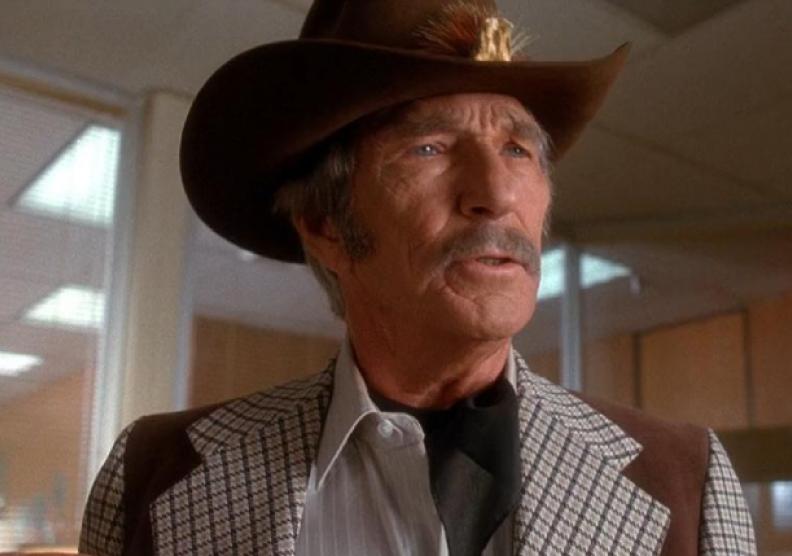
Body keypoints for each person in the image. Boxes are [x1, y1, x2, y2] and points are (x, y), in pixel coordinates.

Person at [79, 0, 756, 554]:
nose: (497, 193)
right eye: (429, 147)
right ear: (325, 225)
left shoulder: (683, 477)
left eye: (517, 149)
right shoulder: (153, 473)